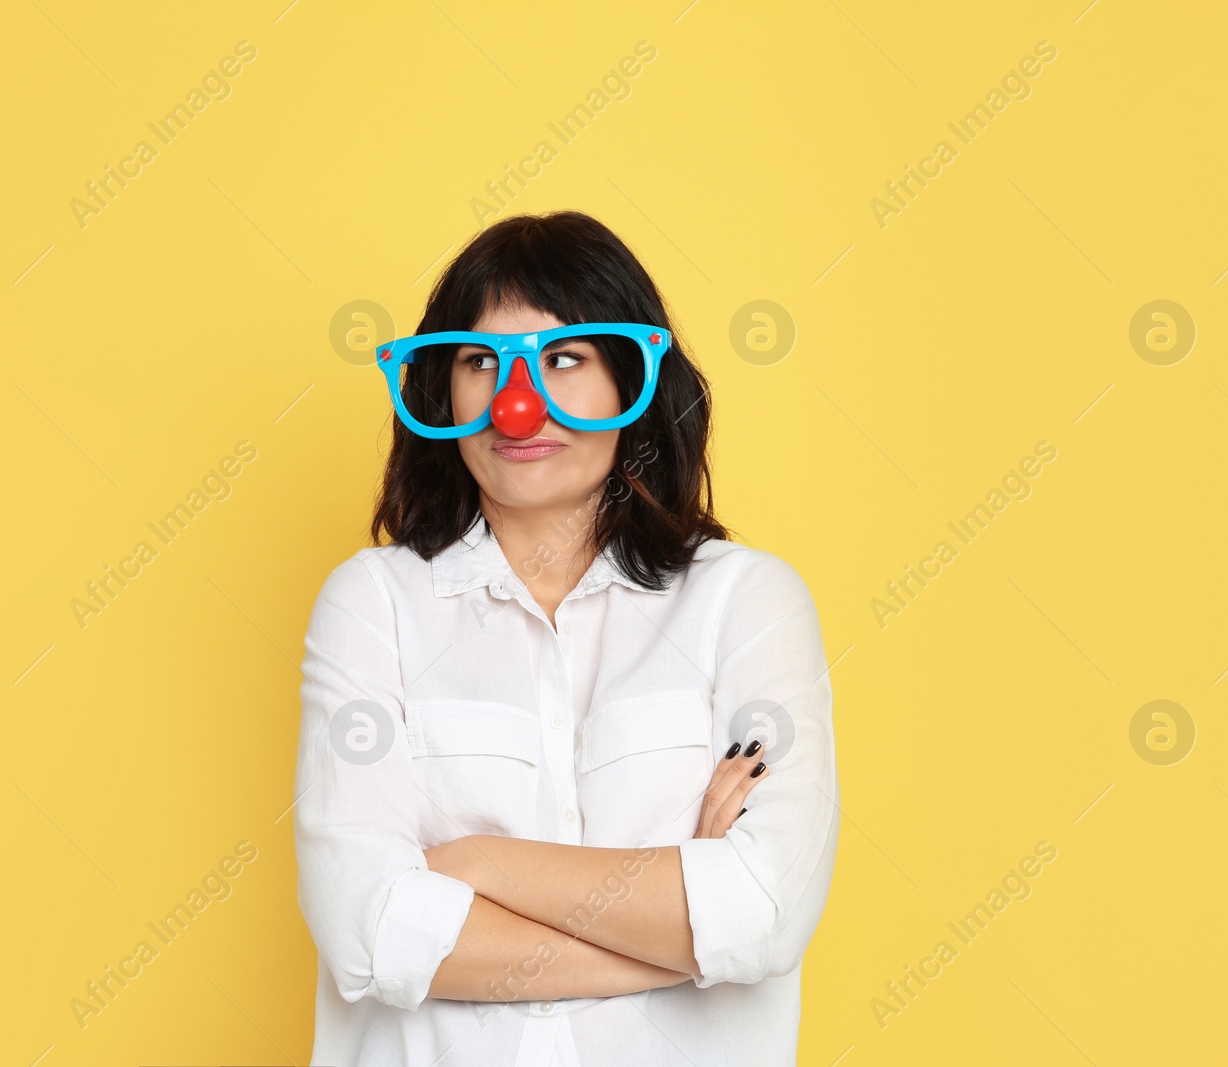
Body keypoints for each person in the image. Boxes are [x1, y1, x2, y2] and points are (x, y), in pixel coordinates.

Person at [293, 209, 839, 1066]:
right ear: (444, 388)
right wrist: (680, 934)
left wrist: (475, 863)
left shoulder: (747, 600)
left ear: (631, 380)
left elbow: (765, 913)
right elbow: (369, 932)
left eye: (564, 359)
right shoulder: (373, 604)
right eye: (482, 361)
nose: (519, 406)